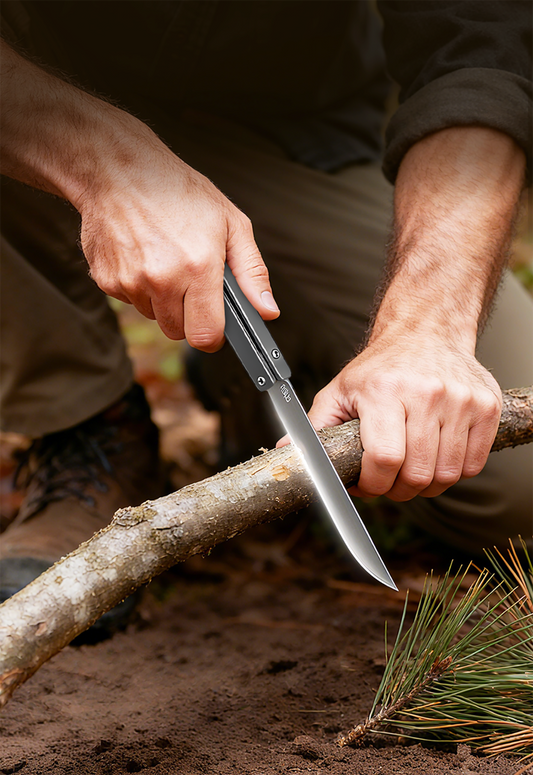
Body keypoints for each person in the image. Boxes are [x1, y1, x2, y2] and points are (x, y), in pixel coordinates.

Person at [0, 1, 530, 616]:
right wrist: (105, 163)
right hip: (32, 106)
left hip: (288, 140)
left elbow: (480, 57)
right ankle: (85, 429)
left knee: (515, 486)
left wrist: (427, 329)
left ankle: (273, 377)